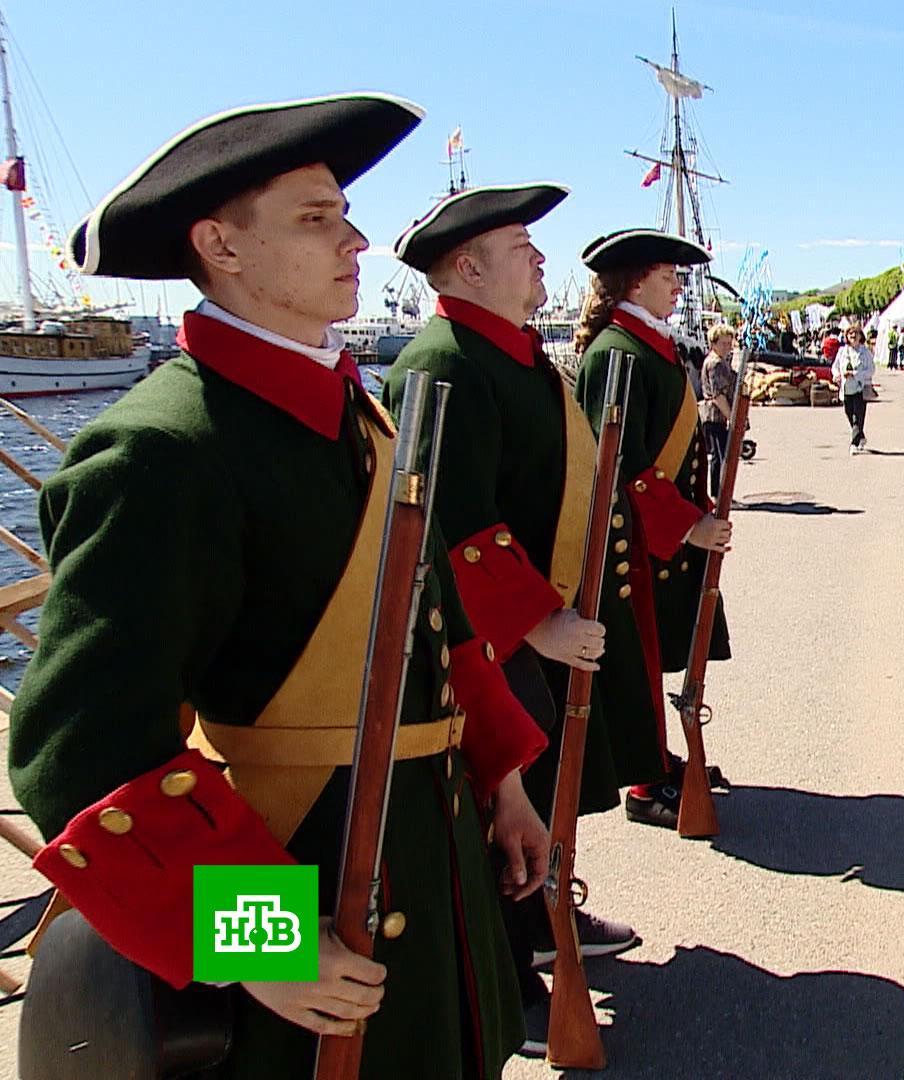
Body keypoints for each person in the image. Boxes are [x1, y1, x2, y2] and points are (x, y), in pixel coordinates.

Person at [10, 93, 549, 1076]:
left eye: (344, 214)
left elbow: (430, 630)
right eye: (315, 218)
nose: (356, 239)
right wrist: (265, 941)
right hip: (303, 881)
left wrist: (503, 781)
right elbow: (78, 749)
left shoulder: (364, 422)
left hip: (432, 866)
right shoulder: (161, 449)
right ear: (222, 245)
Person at [387, 181, 645, 1055]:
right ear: (467, 266)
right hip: (481, 639)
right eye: (519, 247)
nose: (540, 259)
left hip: (507, 629)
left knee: (522, 803)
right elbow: (451, 525)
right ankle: (509, 973)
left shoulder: (507, 355)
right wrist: (534, 622)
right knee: (493, 816)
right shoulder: (441, 361)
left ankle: (533, 930)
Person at [573, 229, 736, 828]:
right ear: (636, 281)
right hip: (630, 539)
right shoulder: (617, 353)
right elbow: (621, 466)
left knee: (653, 654)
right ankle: (646, 783)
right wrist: (689, 526)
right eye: (668, 276)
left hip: (656, 536)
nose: (677, 285)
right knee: (636, 659)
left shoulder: (648, 348)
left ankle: (655, 759)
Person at [702, 324, 740, 497]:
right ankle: (718, 495)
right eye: (723, 343)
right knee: (721, 456)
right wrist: (731, 416)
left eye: (729, 343)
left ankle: (718, 494)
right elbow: (718, 395)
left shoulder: (719, 361)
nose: (727, 347)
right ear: (714, 343)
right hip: (715, 415)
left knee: (719, 456)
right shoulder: (715, 363)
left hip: (716, 415)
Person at [838, 327, 875, 453]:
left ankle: (854, 443)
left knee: (857, 417)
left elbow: (871, 370)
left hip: (860, 388)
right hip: (846, 388)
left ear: (860, 336)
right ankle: (861, 436)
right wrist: (837, 374)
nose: (853, 335)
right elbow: (835, 367)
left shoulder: (866, 352)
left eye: (855, 333)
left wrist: (856, 374)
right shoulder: (842, 351)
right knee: (849, 414)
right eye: (850, 333)